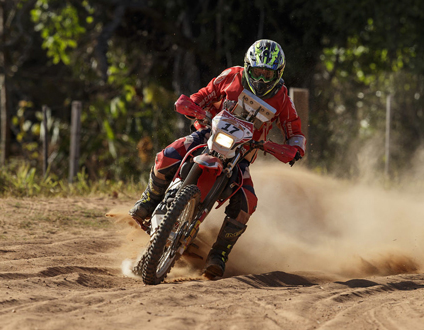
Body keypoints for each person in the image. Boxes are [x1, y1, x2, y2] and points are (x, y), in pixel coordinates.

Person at [129, 39, 306, 279]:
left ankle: (219, 254)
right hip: (209, 133)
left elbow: (296, 133)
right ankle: (149, 200)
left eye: (268, 74)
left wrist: (293, 149)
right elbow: (201, 95)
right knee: (166, 155)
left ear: (279, 73)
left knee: (247, 204)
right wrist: (193, 106)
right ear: (247, 67)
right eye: (257, 72)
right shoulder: (230, 76)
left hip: (243, 152)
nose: (262, 79)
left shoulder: (283, 99)